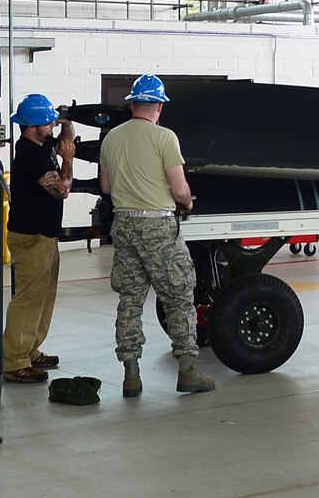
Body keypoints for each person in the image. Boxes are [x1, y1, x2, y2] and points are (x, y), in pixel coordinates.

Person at [102, 74, 213, 397]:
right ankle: (188, 369)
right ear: (160, 107)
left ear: (133, 104)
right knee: (179, 297)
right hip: (158, 227)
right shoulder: (166, 138)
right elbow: (179, 190)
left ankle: (131, 375)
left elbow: (106, 187)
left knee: (130, 300)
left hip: (124, 225)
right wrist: (188, 202)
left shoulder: (111, 138)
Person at [1, 93, 74, 384]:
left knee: (45, 295)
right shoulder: (30, 155)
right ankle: (14, 360)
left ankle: (30, 350)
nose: (52, 127)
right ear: (32, 127)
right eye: (48, 123)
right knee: (29, 298)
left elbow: (62, 139)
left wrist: (67, 124)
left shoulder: (41, 146)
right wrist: (68, 160)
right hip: (30, 237)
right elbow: (62, 190)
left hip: (44, 234)